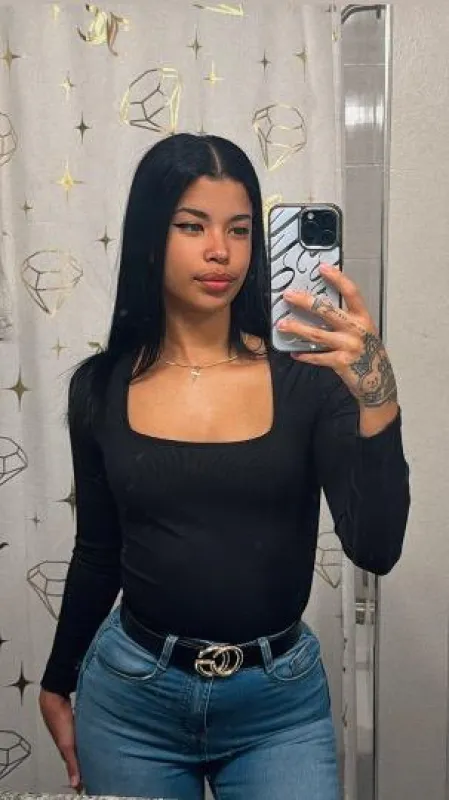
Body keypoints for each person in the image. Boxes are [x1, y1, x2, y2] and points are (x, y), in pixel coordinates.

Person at [39, 133, 410, 800]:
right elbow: (98, 551)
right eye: (192, 226)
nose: (221, 251)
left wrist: (377, 395)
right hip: (132, 699)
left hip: (278, 708)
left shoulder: (309, 382)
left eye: (239, 230)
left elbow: (375, 549)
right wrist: (57, 679)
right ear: (150, 236)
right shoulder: (99, 387)